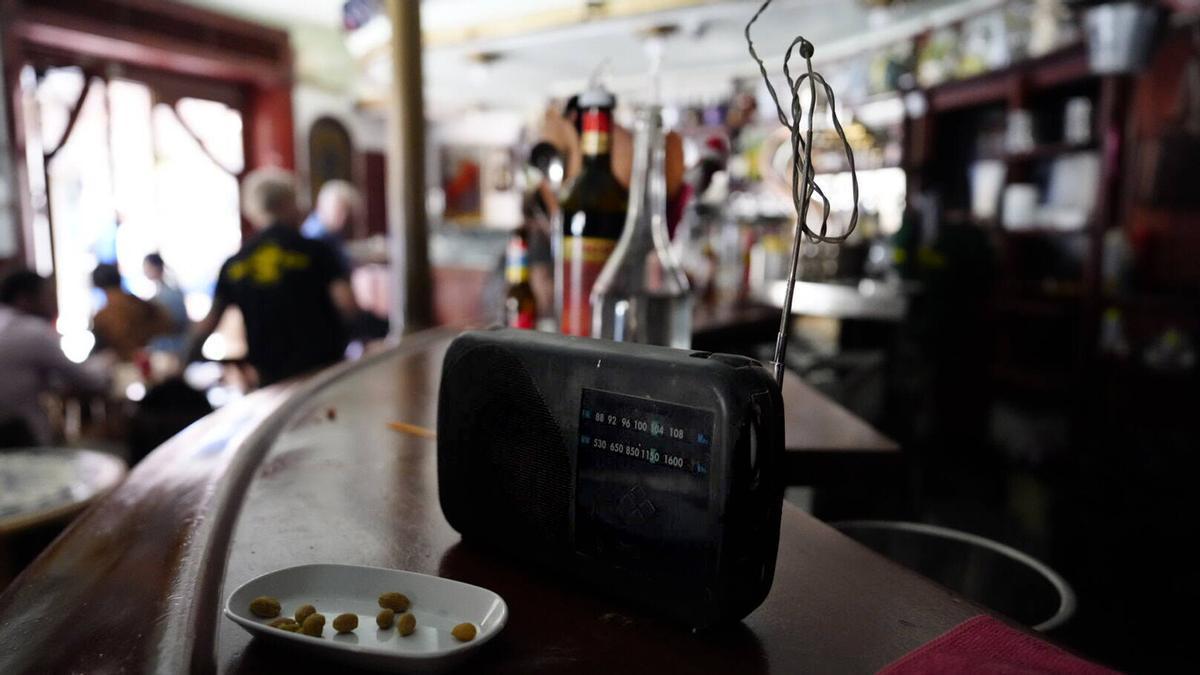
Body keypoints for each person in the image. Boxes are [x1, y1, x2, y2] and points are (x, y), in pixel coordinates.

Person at [189, 167, 358, 387]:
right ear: (288, 202)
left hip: (270, 379)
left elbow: (207, 325)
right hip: (322, 373)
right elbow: (347, 305)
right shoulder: (316, 251)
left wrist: (187, 360)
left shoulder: (236, 264)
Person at [0, 270, 109, 447]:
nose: (53, 303)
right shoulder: (32, 331)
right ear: (24, 299)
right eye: (48, 296)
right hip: (22, 440)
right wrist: (105, 365)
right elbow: (89, 380)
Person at [92, 263, 172, 361]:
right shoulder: (140, 304)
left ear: (98, 285)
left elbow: (101, 351)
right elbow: (166, 326)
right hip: (151, 359)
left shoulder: (102, 317)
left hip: (123, 364)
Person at [301, 179, 359, 274]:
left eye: (348, 212)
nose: (344, 217)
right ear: (321, 206)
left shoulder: (331, 231)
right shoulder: (316, 236)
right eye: (340, 210)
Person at [143, 252, 190, 356]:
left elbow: (174, 323)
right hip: (172, 345)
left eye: (146, 267)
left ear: (155, 268)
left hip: (170, 347)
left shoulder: (168, 295)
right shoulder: (168, 291)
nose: (144, 271)